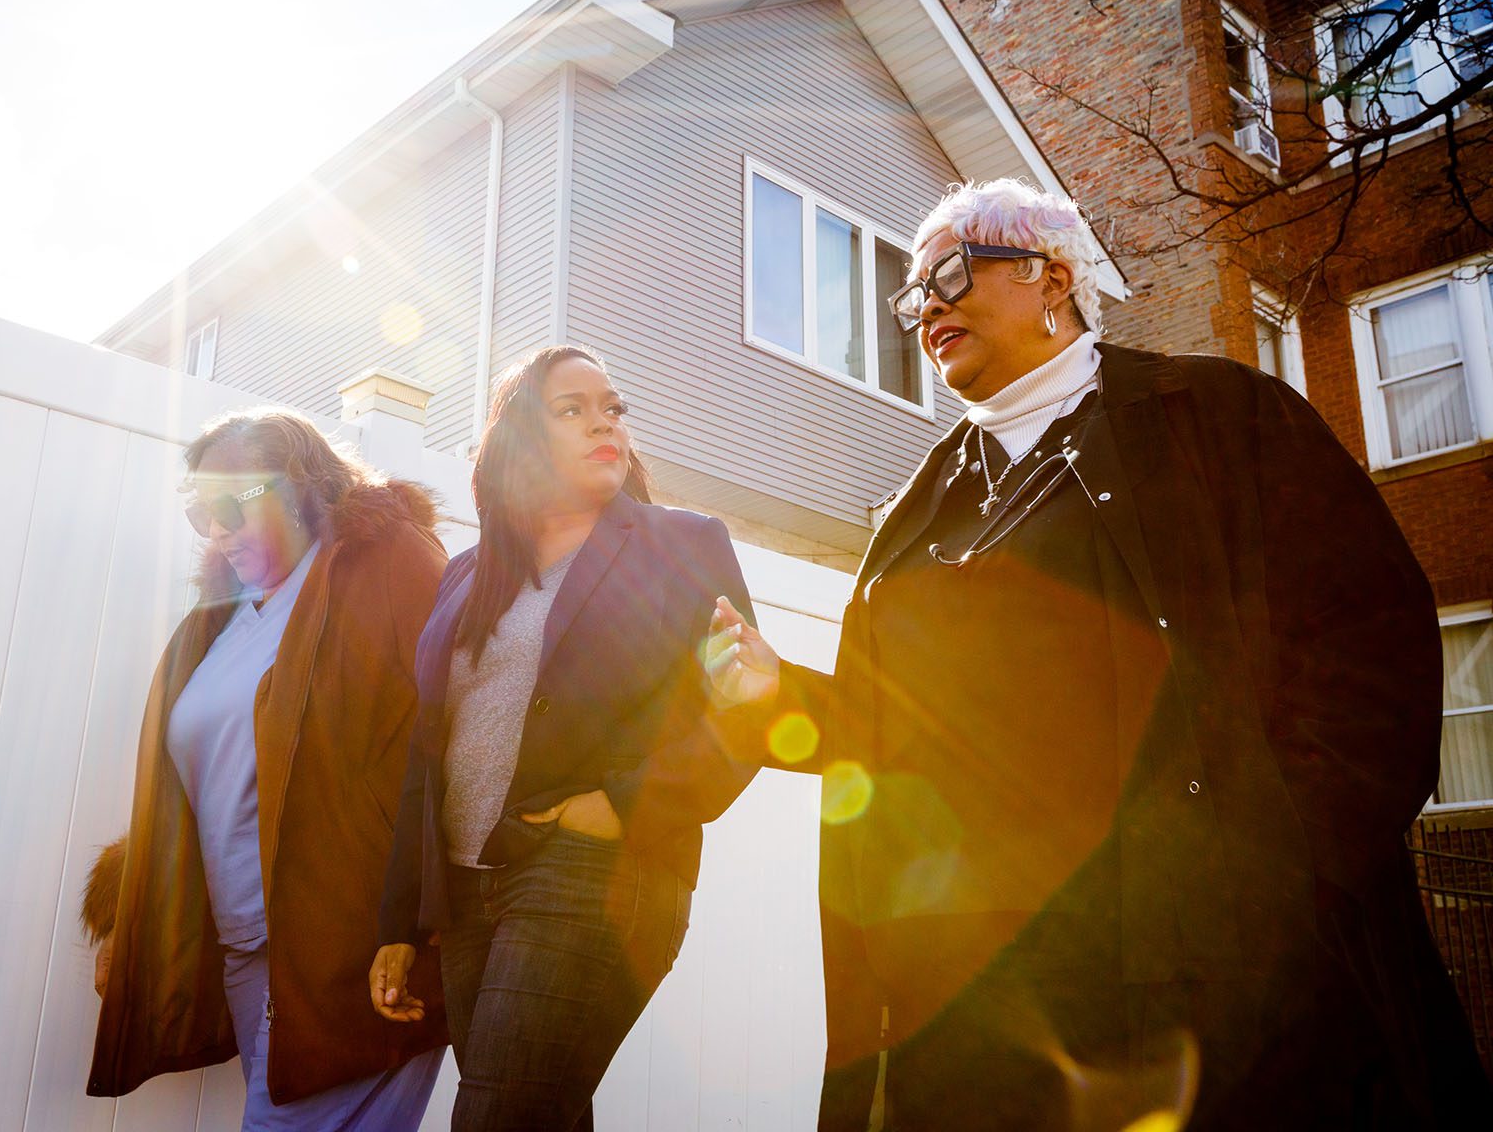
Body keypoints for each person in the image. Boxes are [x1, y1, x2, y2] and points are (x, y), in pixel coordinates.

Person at [705, 178, 1490, 1129]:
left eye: (952, 272)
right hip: (986, 997)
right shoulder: (917, 512)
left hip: (1197, 964)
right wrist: (775, 692)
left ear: (1049, 277)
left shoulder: (1216, 417)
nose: (929, 307)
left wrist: (1282, 862)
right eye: (916, 296)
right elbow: (904, 740)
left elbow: (1368, 633)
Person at [372, 345, 758, 1131]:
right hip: (469, 895)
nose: (603, 424)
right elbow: (429, 752)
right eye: (573, 410)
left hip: (598, 874)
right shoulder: (468, 574)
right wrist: (401, 925)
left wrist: (616, 806)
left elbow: (747, 709)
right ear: (518, 436)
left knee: (496, 1118)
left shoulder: (681, 544)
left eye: (612, 408)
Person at [84, 409, 447, 1130]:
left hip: (358, 952)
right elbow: (192, 790)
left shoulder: (387, 563)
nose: (214, 530)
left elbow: (455, 729)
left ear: (301, 487)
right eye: (198, 512)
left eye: (229, 504)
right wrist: (130, 913)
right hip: (248, 952)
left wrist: (423, 918)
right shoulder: (215, 622)